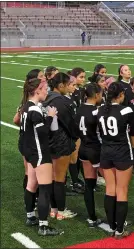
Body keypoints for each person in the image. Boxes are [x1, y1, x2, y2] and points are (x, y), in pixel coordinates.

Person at [20, 77, 62, 235]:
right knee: (45, 188)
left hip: (30, 151)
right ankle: (43, 226)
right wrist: (50, 116)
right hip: (39, 152)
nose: (47, 91)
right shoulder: (35, 110)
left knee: (31, 185)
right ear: (37, 90)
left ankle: (31, 217)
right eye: (45, 89)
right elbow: (43, 132)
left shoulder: (26, 107)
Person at [97, 82, 134, 239]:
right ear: (120, 95)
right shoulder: (126, 110)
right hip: (122, 153)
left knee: (110, 189)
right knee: (122, 191)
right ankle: (119, 230)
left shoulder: (100, 110)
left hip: (105, 152)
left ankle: (112, 225)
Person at [43, 72, 78, 220]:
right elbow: (71, 125)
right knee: (60, 178)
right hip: (62, 142)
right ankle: (61, 211)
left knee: (52, 178)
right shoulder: (63, 101)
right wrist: (76, 138)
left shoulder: (46, 98)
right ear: (61, 85)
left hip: (48, 142)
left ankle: (54, 209)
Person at [75, 83, 104, 227]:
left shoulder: (79, 108)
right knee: (113, 185)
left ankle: (92, 218)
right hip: (96, 150)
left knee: (89, 185)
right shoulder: (97, 111)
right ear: (97, 95)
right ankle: (117, 221)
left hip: (84, 148)